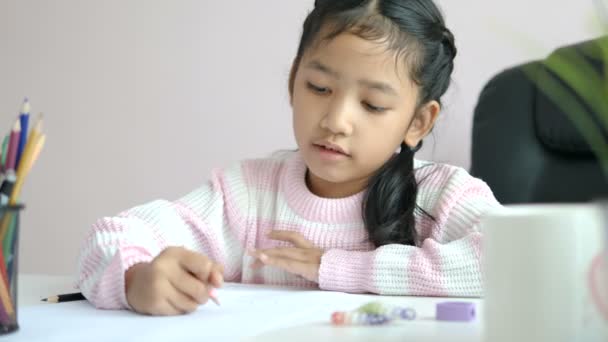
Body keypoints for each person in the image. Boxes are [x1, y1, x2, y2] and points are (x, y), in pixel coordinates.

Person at [77, 0, 501, 316]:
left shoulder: (443, 195)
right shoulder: (246, 195)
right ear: (293, 79)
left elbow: (514, 264)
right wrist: (136, 279)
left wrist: (335, 268)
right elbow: (109, 237)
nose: (336, 120)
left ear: (418, 122)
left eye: (371, 105)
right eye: (318, 88)